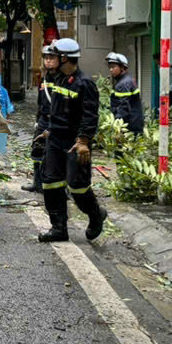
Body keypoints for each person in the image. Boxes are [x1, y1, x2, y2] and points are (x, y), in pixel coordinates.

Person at [37, 38, 107, 243]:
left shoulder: (84, 83)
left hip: (75, 143)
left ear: (65, 58)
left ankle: (95, 214)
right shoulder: (58, 79)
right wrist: (48, 130)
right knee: (50, 183)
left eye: (55, 55)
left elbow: (90, 116)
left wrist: (84, 141)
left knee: (78, 186)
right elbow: (56, 109)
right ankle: (59, 228)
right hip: (55, 139)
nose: (50, 59)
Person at [22, 45, 59, 193]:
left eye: (52, 58)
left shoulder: (62, 79)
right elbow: (40, 100)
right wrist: (37, 120)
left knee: (56, 153)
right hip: (43, 119)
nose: (48, 61)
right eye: (46, 58)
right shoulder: (44, 78)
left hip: (57, 121)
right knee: (37, 149)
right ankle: (37, 183)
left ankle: (60, 187)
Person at [106, 52, 144, 135]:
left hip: (130, 126)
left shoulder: (124, 83)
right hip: (132, 123)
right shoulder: (123, 80)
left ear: (122, 67)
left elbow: (124, 106)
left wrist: (117, 124)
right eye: (109, 67)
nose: (111, 70)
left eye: (113, 67)